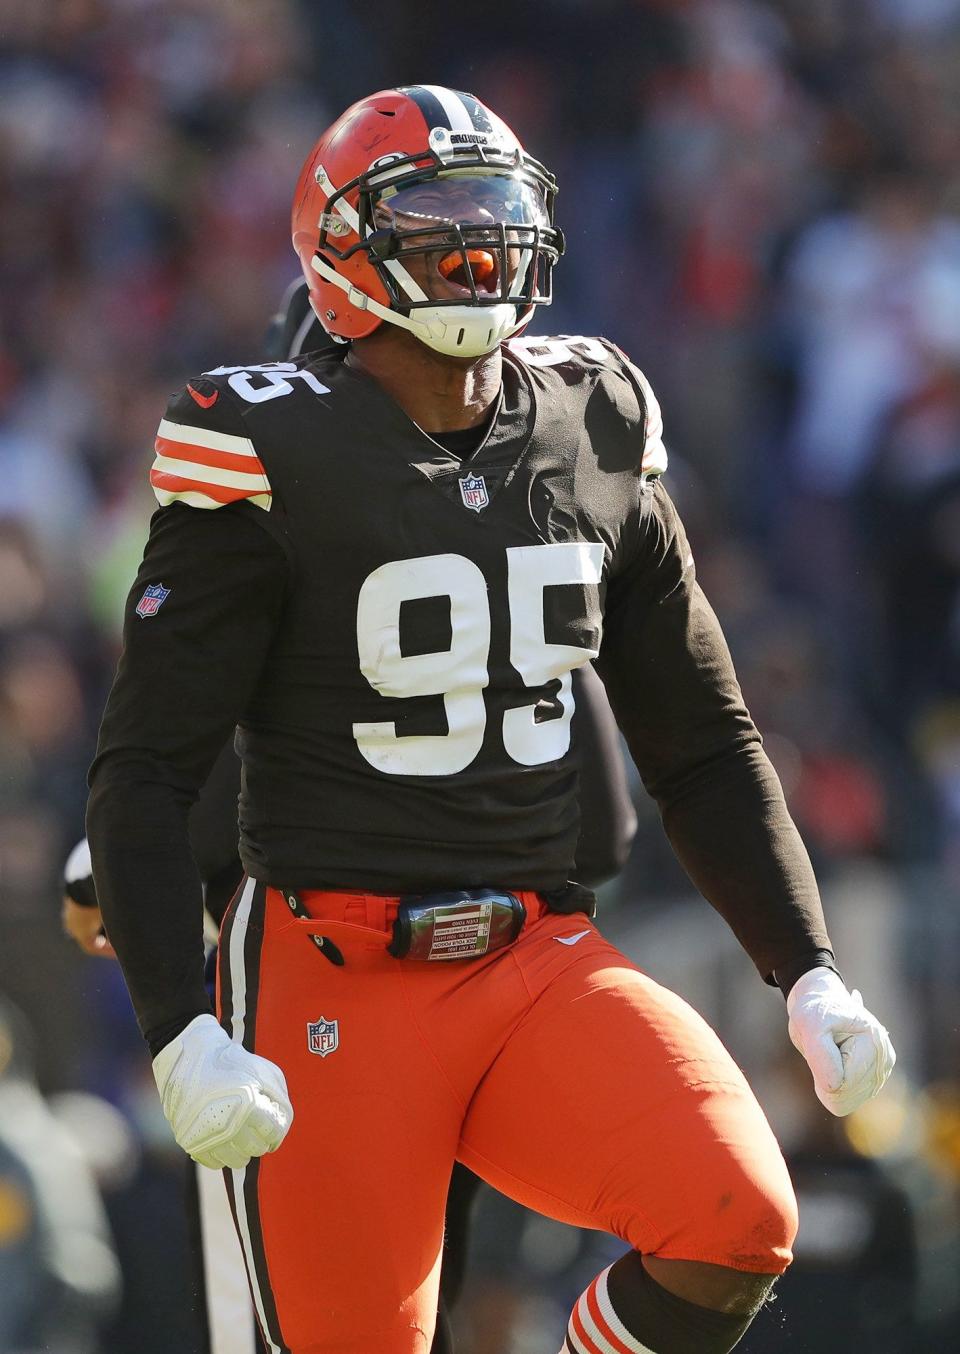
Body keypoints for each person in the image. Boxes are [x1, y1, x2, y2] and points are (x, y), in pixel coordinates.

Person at [86, 85, 895, 1354]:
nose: (477, 242)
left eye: (495, 208)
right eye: (435, 214)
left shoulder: (593, 417)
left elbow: (704, 737)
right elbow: (145, 766)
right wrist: (178, 1024)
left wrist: (806, 965)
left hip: (534, 953)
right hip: (333, 971)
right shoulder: (264, 442)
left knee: (734, 1216)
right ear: (343, 243)